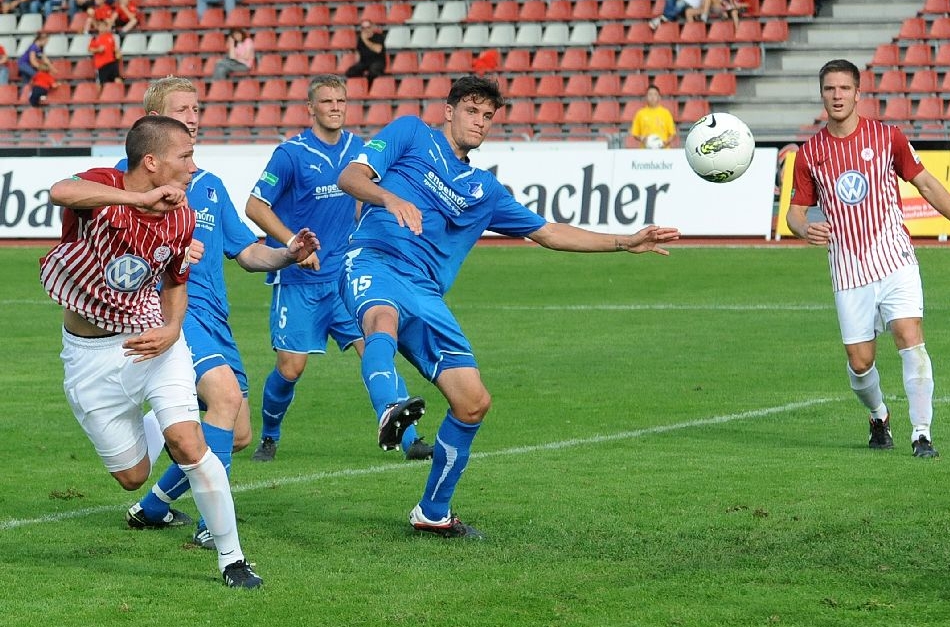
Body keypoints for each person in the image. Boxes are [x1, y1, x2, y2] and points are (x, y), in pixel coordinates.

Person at [336, 76, 681, 537]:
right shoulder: (410, 133)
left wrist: (624, 241)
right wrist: (390, 196)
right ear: (450, 110)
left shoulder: (484, 191)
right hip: (374, 259)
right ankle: (389, 407)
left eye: (487, 116)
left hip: (426, 293)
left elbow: (549, 232)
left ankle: (432, 513)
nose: (479, 122)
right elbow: (350, 177)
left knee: (473, 402)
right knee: (382, 318)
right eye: (472, 111)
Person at [39, 114, 263, 588]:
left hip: (152, 342)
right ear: (152, 162)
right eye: (185, 156)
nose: (192, 165)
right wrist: (138, 199)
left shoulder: (181, 214)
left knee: (189, 442)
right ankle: (156, 431)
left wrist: (172, 327)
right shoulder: (105, 184)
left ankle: (232, 559)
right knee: (133, 476)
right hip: (89, 358)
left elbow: (175, 281)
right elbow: (61, 191)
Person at [119, 76, 320, 550]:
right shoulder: (128, 183)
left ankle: (151, 506)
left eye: (197, 108)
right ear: (155, 119)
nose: (193, 117)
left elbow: (248, 253)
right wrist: (162, 249)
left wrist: (287, 252)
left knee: (240, 432)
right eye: (183, 109)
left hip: (215, 320)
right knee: (225, 400)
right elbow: (114, 245)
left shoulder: (208, 186)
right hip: (172, 313)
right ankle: (214, 525)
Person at [786, 59, 950, 458]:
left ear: (858, 93)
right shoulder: (810, 154)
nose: (838, 95)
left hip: (894, 257)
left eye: (845, 88)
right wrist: (801, 227)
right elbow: (795, 210)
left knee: (909, 337)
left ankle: (922, 434)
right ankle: (879, 416)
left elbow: (926, 182)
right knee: (860, 363)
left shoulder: (886, 137)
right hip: (848, 268)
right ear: (822, 94)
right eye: (830, 89)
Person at [244, 75, 433, 463]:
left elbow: (363, 203)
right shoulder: (291, 154)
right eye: (326, 101)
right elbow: (255, 207)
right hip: (299, 280)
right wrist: (294, 244)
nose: (334, 106)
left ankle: (411, 437)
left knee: (376, 348)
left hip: (346, 278)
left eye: (341, 100)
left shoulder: (359, 151)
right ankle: (269, 436)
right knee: (290, 368)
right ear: (310, 108)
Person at [631, 84, 676, 149]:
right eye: (650, 94)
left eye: (655, 94)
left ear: (659, 97)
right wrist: (642, 139)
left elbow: (672, 134)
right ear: (646, 97)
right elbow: (635, 133)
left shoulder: (666, 113)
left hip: (663, 151)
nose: (652, 97)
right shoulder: (640, 113)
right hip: (646, 151)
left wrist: (665, 143)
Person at [344, 20, 387, 85]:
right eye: (363, 28)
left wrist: (365, 40)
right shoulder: (360, 39)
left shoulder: (378, 37)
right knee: (350, 72)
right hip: (364, 62)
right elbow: (358, 52)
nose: (366, 29)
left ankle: (369, 88)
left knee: (373, 72)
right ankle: (362, 85)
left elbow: (378, 49)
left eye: (368, 27)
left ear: (372, 27)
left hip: (377, 62)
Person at [88, 18, 122, 90]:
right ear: (98, 27)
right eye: (101, 26)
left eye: (104, 26)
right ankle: (101, 99)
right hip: (101, 65)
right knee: (103, 84)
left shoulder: (110, 37)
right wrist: (98, 50)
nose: (102, 28)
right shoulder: (95, 38)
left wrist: (117, 53)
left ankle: (120, 96)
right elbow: (90, 49)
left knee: (117, 80)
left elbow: (115, 49)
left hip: (111, 62)